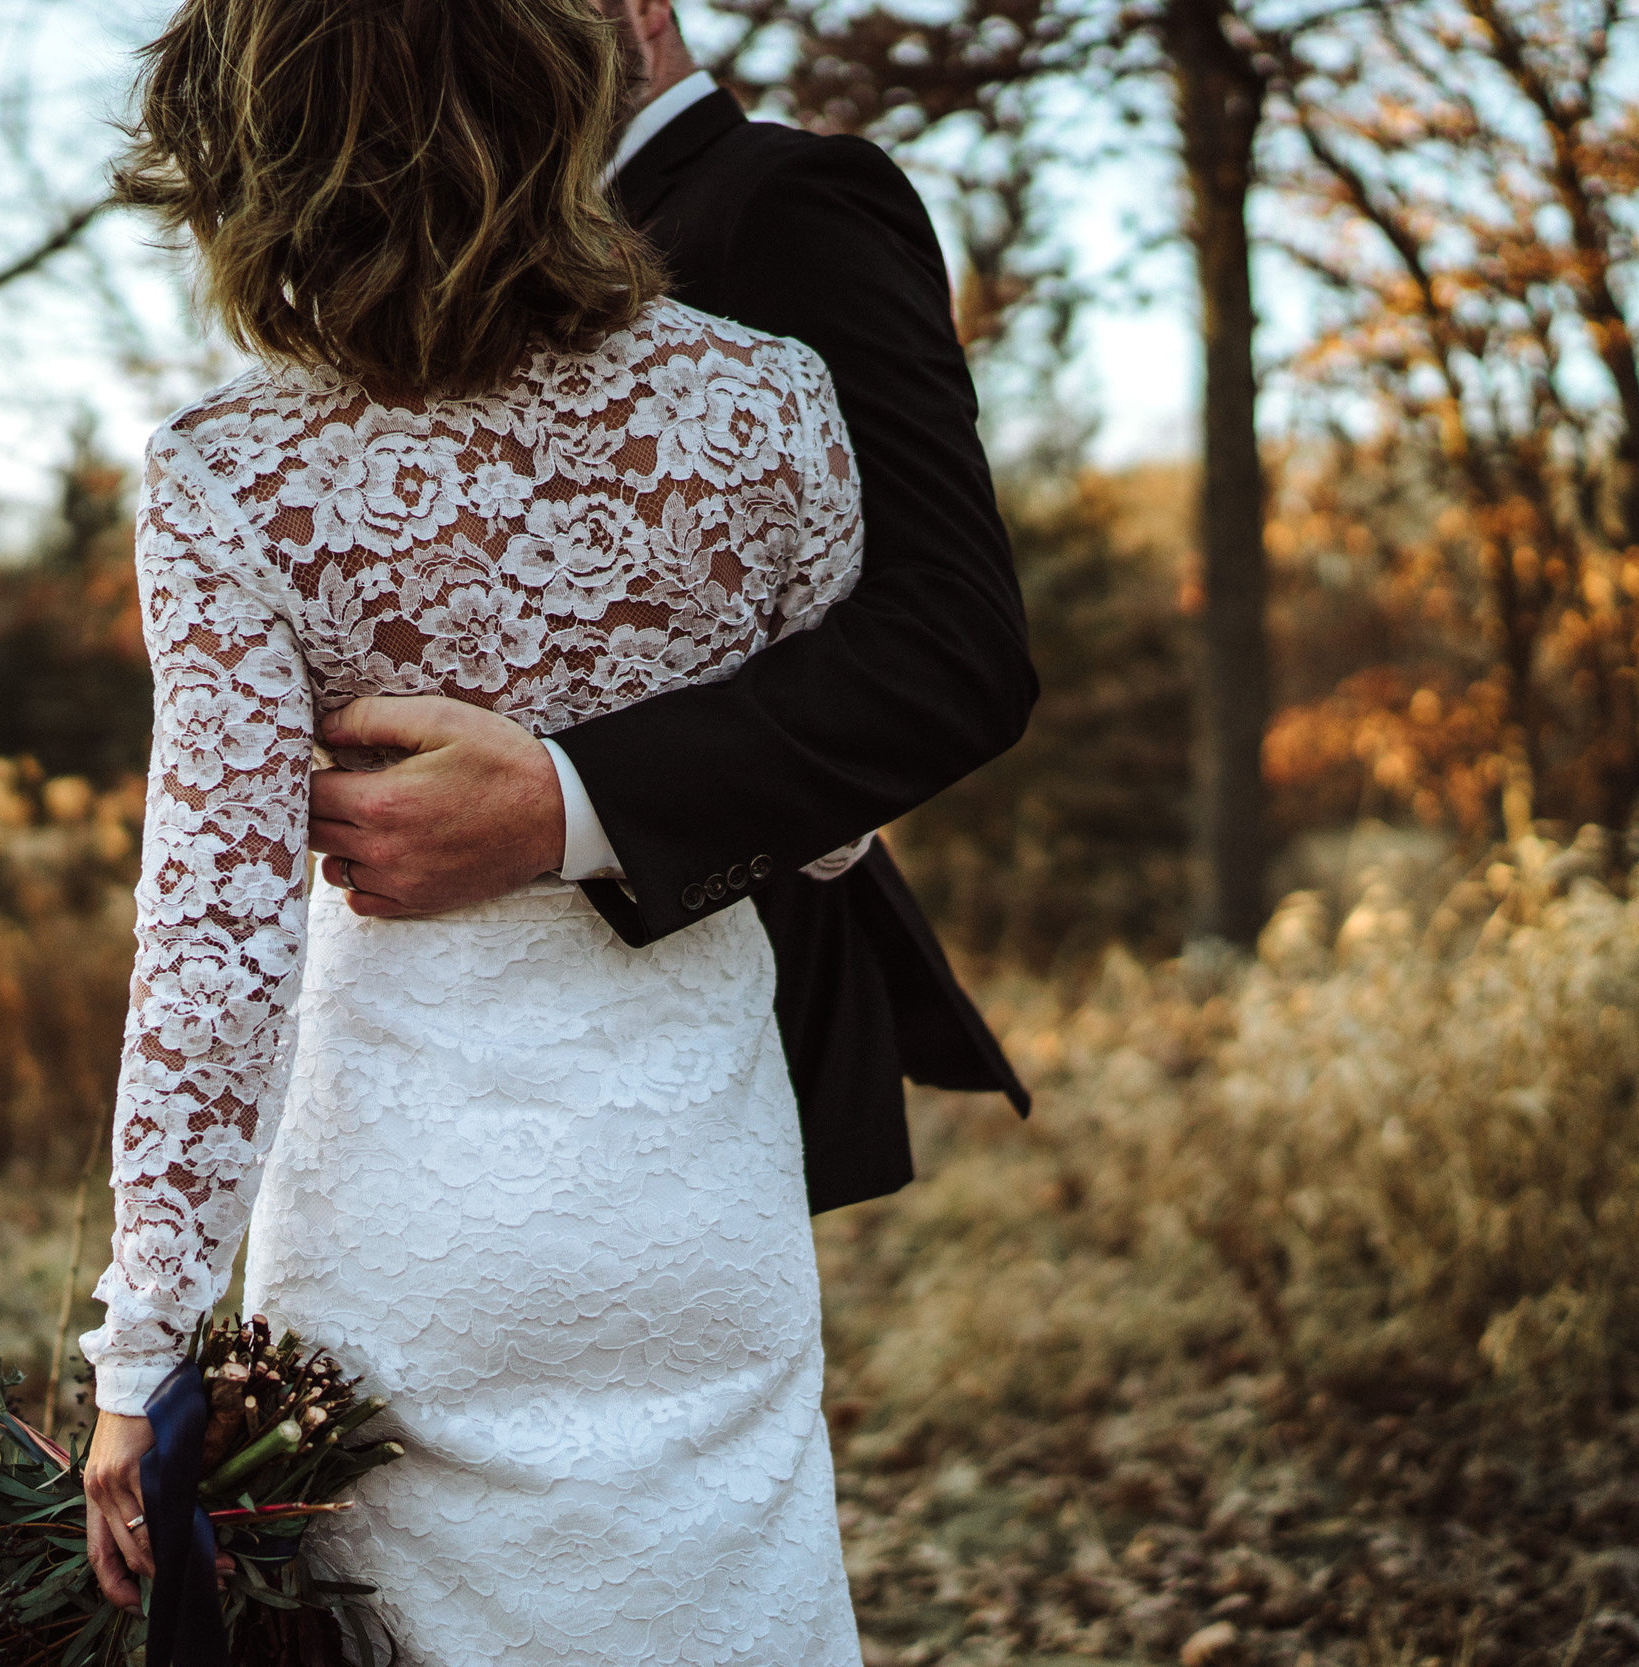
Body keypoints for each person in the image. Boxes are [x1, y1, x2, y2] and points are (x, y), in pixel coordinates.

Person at [74, 0, 900, 1657]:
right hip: (695, 1194)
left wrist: (138, 1350)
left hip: (404, 1214)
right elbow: (831, 820)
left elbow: (213, 941)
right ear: (556, 96)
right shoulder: (771, 406)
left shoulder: (231, 475)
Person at [305, 0, 1038, 1217]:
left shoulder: (785, 202)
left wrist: (562, 804)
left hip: (721, 994)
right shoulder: (462, 265)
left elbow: (951, 641)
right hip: (439, 1056)